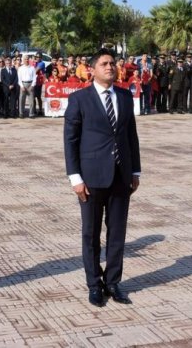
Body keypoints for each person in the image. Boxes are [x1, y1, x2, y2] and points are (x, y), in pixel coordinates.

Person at [63, 48, 141, 307]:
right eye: (104, 64)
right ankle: (94, 284)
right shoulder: (80, 99)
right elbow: (70, 140)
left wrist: (135, 170)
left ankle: (113, 282)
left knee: (117, 233)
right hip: (91, 177)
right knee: (91, 233)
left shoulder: (124, 96)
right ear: (92, 69)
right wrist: (75, 177)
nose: (110, 67)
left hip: (121, 175)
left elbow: (131, 135)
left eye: (112, 63)